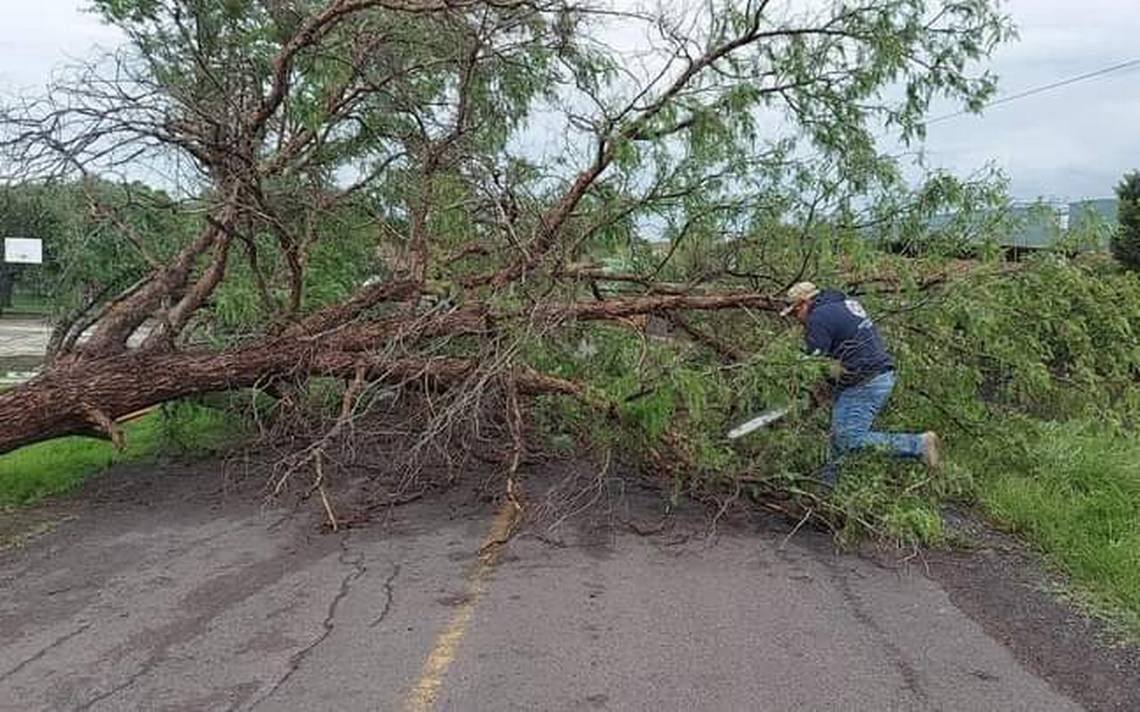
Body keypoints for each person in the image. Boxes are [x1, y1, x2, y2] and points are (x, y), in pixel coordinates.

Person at [780, 281, 940, 485]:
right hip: (873, 375)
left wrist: (803, 382)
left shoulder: (817, 317)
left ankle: (917, 445)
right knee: (838, 438)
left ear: (804, 303)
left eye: (795, 313)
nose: (797, 319)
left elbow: (814, 363)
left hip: (864, 381)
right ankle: (826, 487)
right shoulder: (843, 304)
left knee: (848, 439)